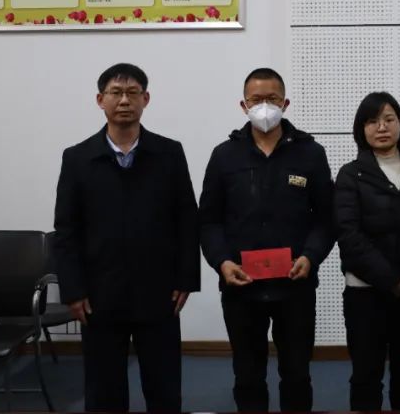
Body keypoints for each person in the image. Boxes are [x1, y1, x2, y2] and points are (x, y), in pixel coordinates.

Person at [53, 63, 200, 412]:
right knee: (104, 390)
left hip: (159, 291)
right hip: (99, 293)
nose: (124, 101)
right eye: (115, 93)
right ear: (100, 100)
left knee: (164, 387)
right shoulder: (78, 158)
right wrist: (72, 290)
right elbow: (66, 230)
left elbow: (186, 219)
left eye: (132, 93)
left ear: (145, 99)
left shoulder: (169, 153)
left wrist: (186, 279)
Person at [199, 68, 335, 412]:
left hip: (295, 286)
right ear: (243, 105)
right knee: (247, 376)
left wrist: (310, 256)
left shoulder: (311, 153)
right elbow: (209, 221)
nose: (264, 107)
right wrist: (222, 262)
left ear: (285, 103)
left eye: (272, 99)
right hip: (241, 288)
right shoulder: (224, 156)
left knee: (297, 375)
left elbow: (326, 219)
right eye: (256, 100)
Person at [335, 92, 400, 411]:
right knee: (366, 376)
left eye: (389, 119)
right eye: (372, 121)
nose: (382, 127)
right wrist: (392, 279)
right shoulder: (350, 175)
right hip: (365, 293)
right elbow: (349, 236)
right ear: (361, 129)